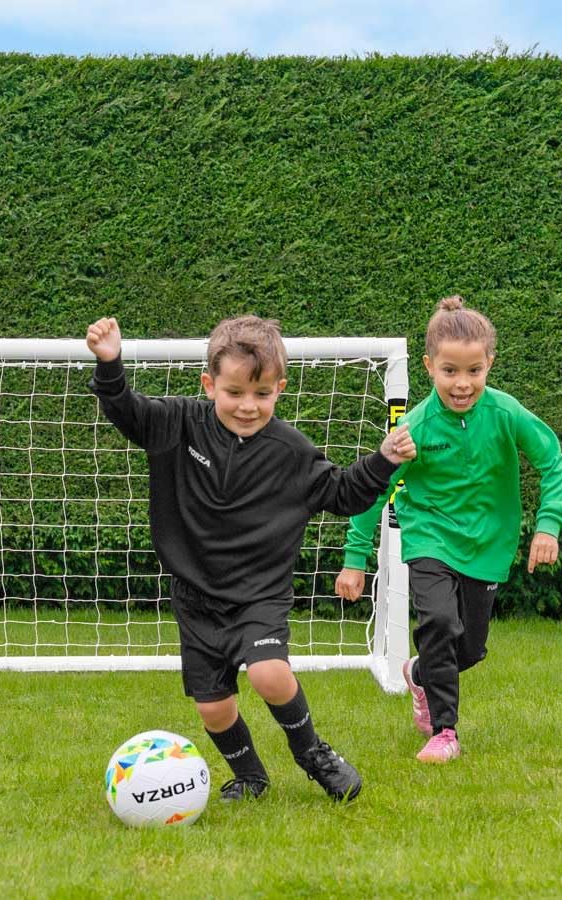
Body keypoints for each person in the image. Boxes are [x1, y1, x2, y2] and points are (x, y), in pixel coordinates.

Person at [87, 314, 416, 802]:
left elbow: (344, 493)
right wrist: (110, 363)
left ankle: (313, 754)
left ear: (279, 389)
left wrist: (383, 459)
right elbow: (127, 412)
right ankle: (251, 777)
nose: (248, 405)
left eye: (262, 394)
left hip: (259, 594)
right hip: (195, 597)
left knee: (268, 673)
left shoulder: (291, 451)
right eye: (235, 392)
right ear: (209, 384)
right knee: (213, 708)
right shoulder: (178, 424)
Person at [335, 295, 562, 764]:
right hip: (430, 537)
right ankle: (444, 731)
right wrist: (354, 559)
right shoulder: (415, 427)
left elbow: (551, 461)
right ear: (429, 367)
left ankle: (420, 673)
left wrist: (548, 525)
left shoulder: (506, 413)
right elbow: (375, 489)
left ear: (489, 364)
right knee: (440, 623)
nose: (462, 383)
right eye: (449, 371)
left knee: (470, 649)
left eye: (473, 371)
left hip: (488, 545)